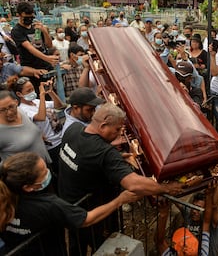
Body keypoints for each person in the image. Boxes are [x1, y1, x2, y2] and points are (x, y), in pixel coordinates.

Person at [58, 103, 183, 255]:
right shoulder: (104, 152)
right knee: (105, 248)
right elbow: (133, 183)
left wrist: (119, 158)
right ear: (103, 125)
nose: (118, 135)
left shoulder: (73, 129)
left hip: (69, 207)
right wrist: (167, 188)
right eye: (117, 129)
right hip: (96, 215)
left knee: (76, 247)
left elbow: (85, 159)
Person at [0, 152, 139, 256]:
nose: (48, 172)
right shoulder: (48, 205)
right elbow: (87, 219)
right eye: (43, 172)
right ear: (28, 187)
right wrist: (120, 200)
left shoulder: (5, 194)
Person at [9, 76, 64, 183]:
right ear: (19, 94)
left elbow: (59, 105)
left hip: (61, 139)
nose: (32, 92)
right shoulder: (23, 110)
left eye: (33, 89)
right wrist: (42, 95)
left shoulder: (37, 101)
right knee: (60, 175)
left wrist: (50, 92)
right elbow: (41, 117)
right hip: (51, 147)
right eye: (28, 90)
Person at [11, 2, 59, 92]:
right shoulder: (17, 31)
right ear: (19, 15)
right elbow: (29, 48)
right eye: (26, 17)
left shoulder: (36, 27)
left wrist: (44, 31)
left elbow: (49, 45)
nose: (29, 19)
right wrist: (47, 58)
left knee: (52, 93)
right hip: (32, 68)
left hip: (46, 67)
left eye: (31, 17)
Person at [0, 90, 51, 165]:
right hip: (27, 175)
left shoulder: (20, 111)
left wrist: (37, 135)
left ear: (16, 102)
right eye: (2, 110)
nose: (9, 112)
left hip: (44, 166)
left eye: (11, 107)